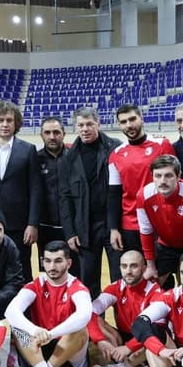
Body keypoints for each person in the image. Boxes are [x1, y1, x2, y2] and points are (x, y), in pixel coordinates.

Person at [4, 241, 93, 367]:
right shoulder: (36, 285)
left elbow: (84, 315)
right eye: (47, 261)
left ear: (69, 263)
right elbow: (10, 311)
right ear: (43, 261)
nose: (52, 266)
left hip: (68, 358)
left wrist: (51, 334)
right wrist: (34, 330)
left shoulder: (77, 287)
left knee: (80, 329)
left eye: (58, 261)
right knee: (17, 328)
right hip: (38, 354)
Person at [0, 100, 43, 282]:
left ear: (16, 123)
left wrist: (33, 223)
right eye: (1, 120)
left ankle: (24, 310)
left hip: (20, 223)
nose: (5, 124)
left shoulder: (28, 150)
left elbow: (36, 189)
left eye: (9, 120)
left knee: (23, 268)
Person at [57, 107, 121, 295]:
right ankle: (93, 324)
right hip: (85, 228)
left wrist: (117, 226)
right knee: (88, 281)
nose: (85, 129)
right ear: (76, 127)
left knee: (119, 280)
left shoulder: (114, 147)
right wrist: (69, 232)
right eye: (81, 125)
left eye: (89, 124)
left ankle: (123, 323)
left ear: (98, 125)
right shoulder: (68, 158)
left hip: (113, 226)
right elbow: (65, 197)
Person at [108, 104, 176, 257]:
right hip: (130, 225)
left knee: (162, 276)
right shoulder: (116, 155)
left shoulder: (162, 145)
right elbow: (114, 194)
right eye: (124, 122)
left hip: (160, 222)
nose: (129, 125)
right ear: (119, 125)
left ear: (142, 119)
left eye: (132, 119)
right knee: (136, 272)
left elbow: (176, 183)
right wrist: (113, 229)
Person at [135, 155, 183, 285]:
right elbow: (145, 231)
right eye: (158, 176)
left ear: (178, 176)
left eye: (168, 175)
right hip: (165, 246)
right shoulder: (143, 195)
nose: (162, 181)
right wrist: (150, 266)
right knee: (150, 285)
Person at [86, 250, 162, 367]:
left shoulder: (156, 292)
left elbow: (159, 331)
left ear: (144, 268)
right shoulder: (116, 287)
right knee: (96, 320)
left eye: (134, 266)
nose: (128, 271)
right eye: (124, 266)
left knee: (155, 336)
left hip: (145, 341)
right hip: (124, 338)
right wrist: (100, 340)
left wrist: (129, 348)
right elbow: (89, 312)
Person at [36, 116, 68, 259]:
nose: (52, 137)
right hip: (45, 228)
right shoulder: (34, 159)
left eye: (56, 132)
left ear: (64, 134)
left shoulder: (74, 158)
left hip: (71, 228)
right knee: (50, 269)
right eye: (47, 133)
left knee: (76, 271)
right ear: (41, 135)